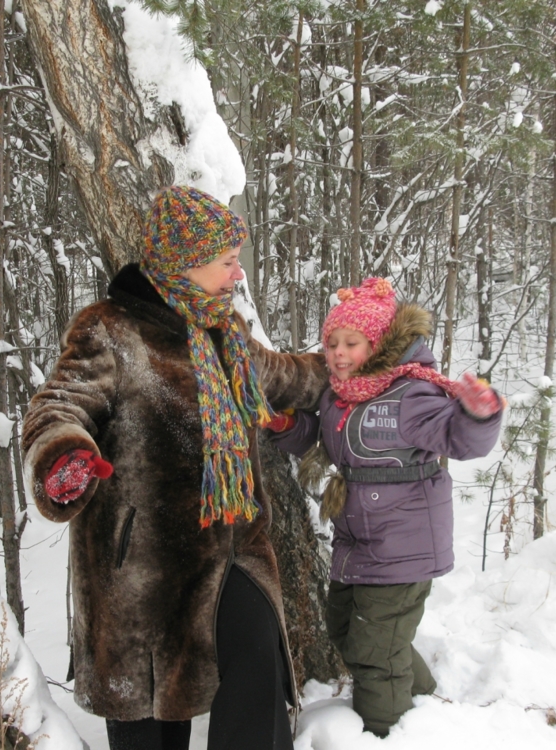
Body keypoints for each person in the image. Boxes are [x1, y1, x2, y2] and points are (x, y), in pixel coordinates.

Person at [21, 186, 327, 750]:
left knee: (258, 673)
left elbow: (283, 377)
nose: (237, 276)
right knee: (152, 723)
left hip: (236, 552)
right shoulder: (110, 330)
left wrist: (355, 364)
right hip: (144, 571)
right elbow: (57, 406)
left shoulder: (225, 331)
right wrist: (64, 457)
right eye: (227, 263)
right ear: (186, 264)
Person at [268, 277, 503, 737]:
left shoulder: (410, 393)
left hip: (403, 546)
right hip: (357, 542)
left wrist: (479, 414)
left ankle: (386, 730)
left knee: (375, 651)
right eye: (331, 342)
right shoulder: (341, 397)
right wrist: (283, 424)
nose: (337, 352)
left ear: (376, 344)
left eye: (351, 343)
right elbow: (319, 441)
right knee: (344, 629)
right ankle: (422, 698)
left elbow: (458, 438)